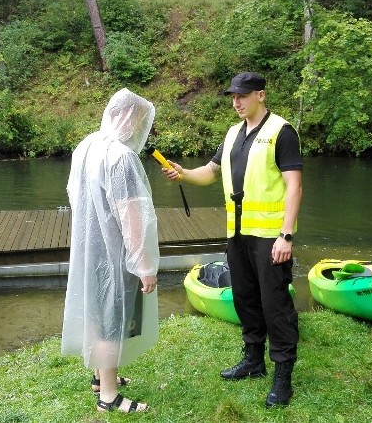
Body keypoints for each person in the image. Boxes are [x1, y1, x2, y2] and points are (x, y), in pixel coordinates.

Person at [163, 72, 302, 408]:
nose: (237, 102)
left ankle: (283, 375)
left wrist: (286, 235)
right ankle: (253, 360)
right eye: (233, 97)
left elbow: (294, 186)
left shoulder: (281, 132)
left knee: (275, 306)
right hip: (237, 235)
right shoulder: (232, 134)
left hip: (270, 237)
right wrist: (183, 173)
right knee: (245, 299)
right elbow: (210, 172)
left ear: (261, 95)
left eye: (243, 96)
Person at [61, 88, 160, 413]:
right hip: (113, 254)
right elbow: (132, 215)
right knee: (112, 321)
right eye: (141, 121)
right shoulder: (120, 157)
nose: (138, 129)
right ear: (129, 118)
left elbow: (73, 195)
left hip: (89, 250)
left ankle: (100, 377)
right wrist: (144, 264)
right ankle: (109, 397)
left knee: (96, 315)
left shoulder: (87, 146)